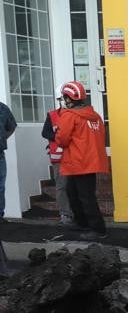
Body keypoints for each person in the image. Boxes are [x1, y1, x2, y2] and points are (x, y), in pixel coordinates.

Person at [53, 81, 109, 239]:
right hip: (90, 161)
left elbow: (62, 140)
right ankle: (83, 223)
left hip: (78, 162)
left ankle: (98, 229)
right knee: (74, 193)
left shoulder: (69, 116)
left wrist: (57, 134)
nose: (63, 101)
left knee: (84, 196)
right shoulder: (94, 116)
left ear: (69, 98)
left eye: (64, 97)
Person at [40, 88, 75, 225]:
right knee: (62, 186)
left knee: (77, 187)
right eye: (62, 99)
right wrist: (60, 137)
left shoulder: (77, 115)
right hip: (59, 157)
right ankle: (65, 213)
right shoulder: (52, 115)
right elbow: (45, 132)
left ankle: (78, 213)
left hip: (76, 156)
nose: (65, 102)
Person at [0, 99, 15, 221]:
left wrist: (3, 137)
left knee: (0, 186)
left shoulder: (3, 109)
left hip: (0, 154)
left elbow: (12, 126)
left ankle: (0, 215)